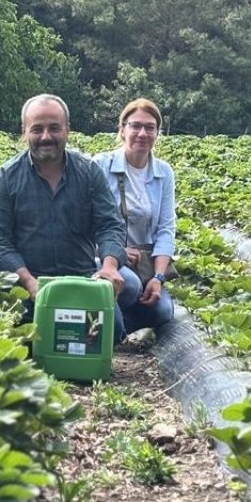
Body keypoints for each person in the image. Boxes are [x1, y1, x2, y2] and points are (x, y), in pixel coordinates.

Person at [0, 94, 137, 343]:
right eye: (37, 129)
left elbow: (109, 225)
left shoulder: (88, 173)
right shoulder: (6, 178)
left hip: (82, 280)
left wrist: (108, 267)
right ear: (24, 132)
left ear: (67, 129)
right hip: (28, 285)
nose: (46, 137)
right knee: (30, 339)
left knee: (111, 334)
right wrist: (31, 284)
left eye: (54, 128)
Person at [95, 99, 176, 335]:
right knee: (128, 286)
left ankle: (112, 323)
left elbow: (165, 229)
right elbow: (84, 220)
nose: (142, 133)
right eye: (135, 126)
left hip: (143, 266)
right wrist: (114, 250)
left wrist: (158, 278)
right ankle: (110, 328)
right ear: (122, 130)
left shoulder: (164, 173)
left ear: (157, 133)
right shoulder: (101, 165)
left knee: (162, 312)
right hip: (102, 259)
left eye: (150, 128)